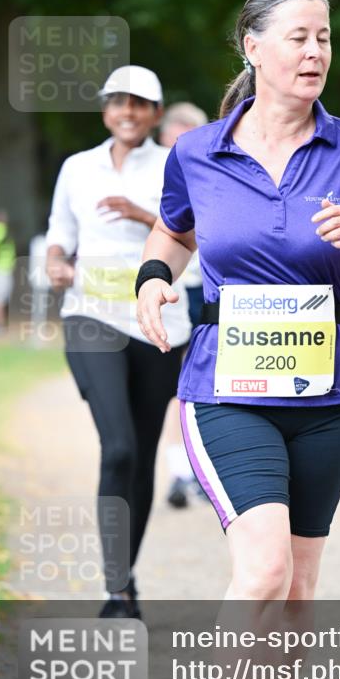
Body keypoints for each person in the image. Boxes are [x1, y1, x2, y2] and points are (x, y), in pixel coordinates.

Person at [135, 0, 340, 679]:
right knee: (262, 568)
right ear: (252, 47)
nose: (316, 51)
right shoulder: (199, 151)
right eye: (299, 37)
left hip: (326, 395)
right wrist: (151, 279)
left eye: (324, 37)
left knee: (297, 588)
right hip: (226, 388)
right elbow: (171, 233)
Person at [45, 65, 190, 618]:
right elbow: (60, 233)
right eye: (117, 103)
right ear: (106, 110)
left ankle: (124, 580)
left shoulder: (176, 165)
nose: (127, 112)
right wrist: (56, 263)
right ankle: (115, 587)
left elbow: (196, 237)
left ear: (155, 113)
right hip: (91, 317)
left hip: (157, 324)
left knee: (143, 454)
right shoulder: (78, 168)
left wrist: (140, 214)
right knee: (120, 447)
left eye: (138, 104)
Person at [158, 102, 210, 508]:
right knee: (179, 387)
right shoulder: (151, 171)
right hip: (171, 288)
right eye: (173, 135)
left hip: (206, 287)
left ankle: (203, 470)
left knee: (207, 384)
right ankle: (180, 471)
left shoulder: (210, 167)